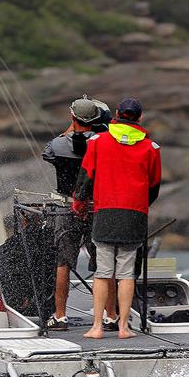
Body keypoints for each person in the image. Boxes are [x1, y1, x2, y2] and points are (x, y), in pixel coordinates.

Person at [72, 97, 162, 339]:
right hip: (134, 215)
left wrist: (78, 204)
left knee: (103, 273)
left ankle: (97, 327)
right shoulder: (151, 148)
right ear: (140, 117)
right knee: (126, 274)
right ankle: (123, 327)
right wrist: (141, 207)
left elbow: (85, 177)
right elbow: (153, 187)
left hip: (106, 213)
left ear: (116, 113)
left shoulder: (98, 142)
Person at [42, 96, 115, 329]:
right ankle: (110, 316)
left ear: (72, 117)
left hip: (66, 207)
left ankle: (60, 316)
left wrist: (69, 129)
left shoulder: (58, 144)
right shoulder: (103, 143)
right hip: (98, 207)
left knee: (63, 263)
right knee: (104, 264)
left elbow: (47, 154)